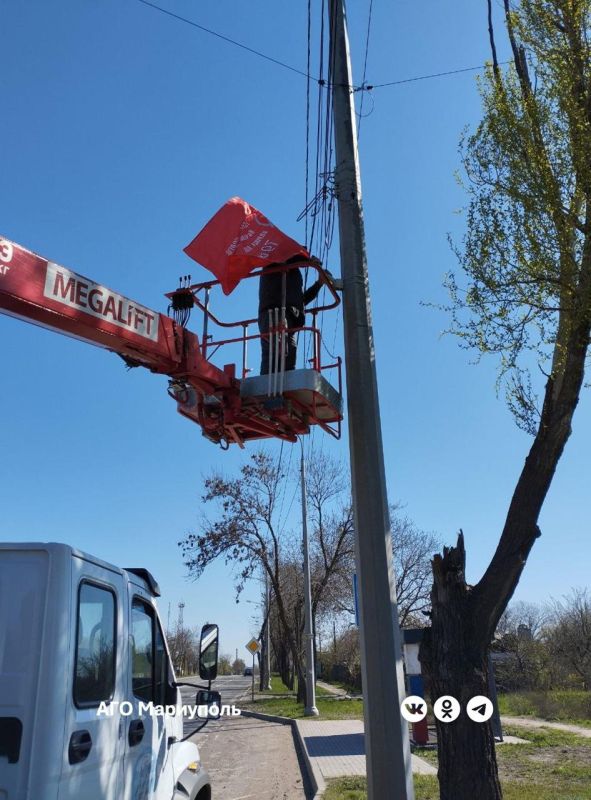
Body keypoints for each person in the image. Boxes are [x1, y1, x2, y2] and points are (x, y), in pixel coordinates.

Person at [258, 257, 331, 375]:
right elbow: (290, 256)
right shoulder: (274, 262)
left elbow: (300, 302)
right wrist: (306, 260)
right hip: (274, 314)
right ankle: (266, 390)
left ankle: (286, 391)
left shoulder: (293, 273)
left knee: (289, 359)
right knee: (275, 357)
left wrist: (319, 284)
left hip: (289, 319)